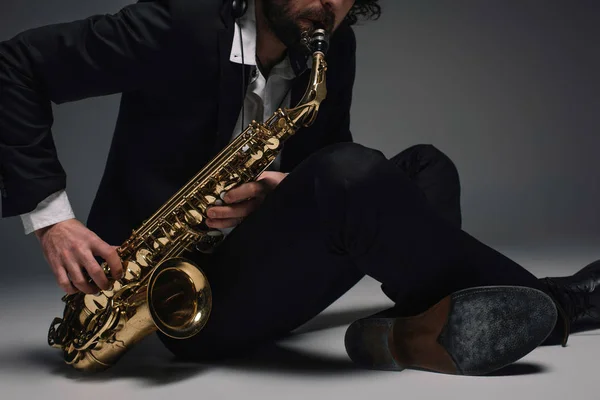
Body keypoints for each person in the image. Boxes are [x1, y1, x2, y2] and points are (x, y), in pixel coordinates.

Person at [0, 0, 598, 376]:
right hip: (177, 302)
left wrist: (279, 189)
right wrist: (52, 219)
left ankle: (413, 330)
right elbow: (16, 64)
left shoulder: (329, 43)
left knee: (426, 168)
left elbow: (325, 164)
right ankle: (558, 304)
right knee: (356, 175)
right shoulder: (175, 24)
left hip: (263, 265)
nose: (327, 5)